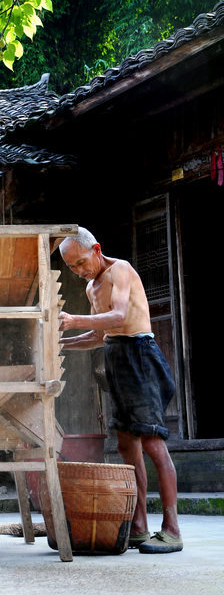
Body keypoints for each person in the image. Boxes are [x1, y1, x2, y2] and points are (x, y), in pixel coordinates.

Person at [57, 227, 183, 554]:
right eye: (72, 268)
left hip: (140, 356)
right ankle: (139, 526)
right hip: (116, 360)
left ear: (96, 249)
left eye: (82, 262)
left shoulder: (120, 269)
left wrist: (72, 320)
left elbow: (120, 315)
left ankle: (172, 529)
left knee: (153, 442)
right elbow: (101, 335)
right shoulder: (90, 288)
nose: (80, 271)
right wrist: (60, 342)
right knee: (128, 445)